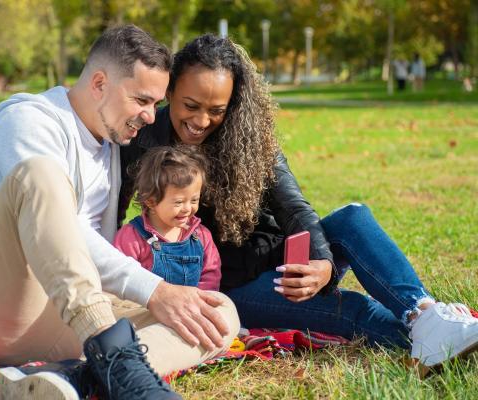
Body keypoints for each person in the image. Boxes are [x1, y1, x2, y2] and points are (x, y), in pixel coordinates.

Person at [119, 34, 478, 371]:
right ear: (169, 91)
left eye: (216, 109)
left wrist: (321, 262)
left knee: (353, 217)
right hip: (233, 283)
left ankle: (426, 314)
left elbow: (293, 207)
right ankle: (439, 342)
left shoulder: (249, 135)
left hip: (282, 256)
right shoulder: (143, 138)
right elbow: (114, 212)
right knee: (349, 309)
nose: (201, 121)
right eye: (190, 106)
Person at [0, 26, 240, 400]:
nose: (148, 116)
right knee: (39, 174)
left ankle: (71, 378)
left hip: (65, 320)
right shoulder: (29, 120)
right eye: (141, 100)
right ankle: (120, 366)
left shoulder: (109, 139)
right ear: (99, 83)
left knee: (216, 312)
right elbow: (65, 228)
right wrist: (154, 290)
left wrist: (169, 295)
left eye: (155, 104)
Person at [114, 145, 221, 290]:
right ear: (151, 201)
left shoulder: (201, 236)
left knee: (226, 308)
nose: (188, 208)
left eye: (194, 200)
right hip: (144, 310)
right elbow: (121, 278)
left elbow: (210, 275)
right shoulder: (131, 237)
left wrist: (201, 301)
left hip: (193, 307)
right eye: (179, 202)